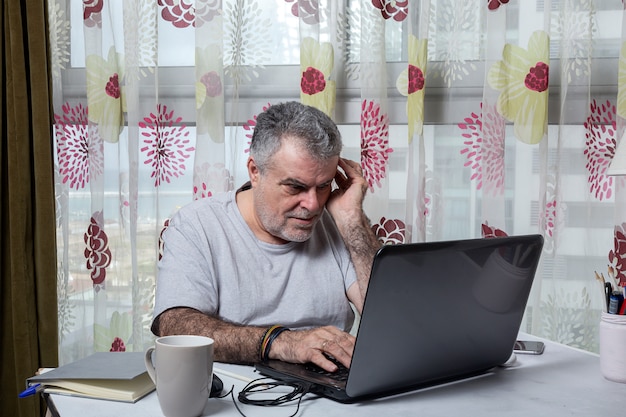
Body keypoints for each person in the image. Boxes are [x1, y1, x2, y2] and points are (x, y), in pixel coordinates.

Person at [151, 101, 381, 372]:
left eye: (323, 186)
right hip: (236, 391)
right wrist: (280, 342)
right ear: (255, 171)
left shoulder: (337, 222)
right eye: (296, 186)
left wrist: (352, 221)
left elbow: (388, 319)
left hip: (329, 387)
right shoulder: (197, 225)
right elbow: (174, 325)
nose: (313, 204)